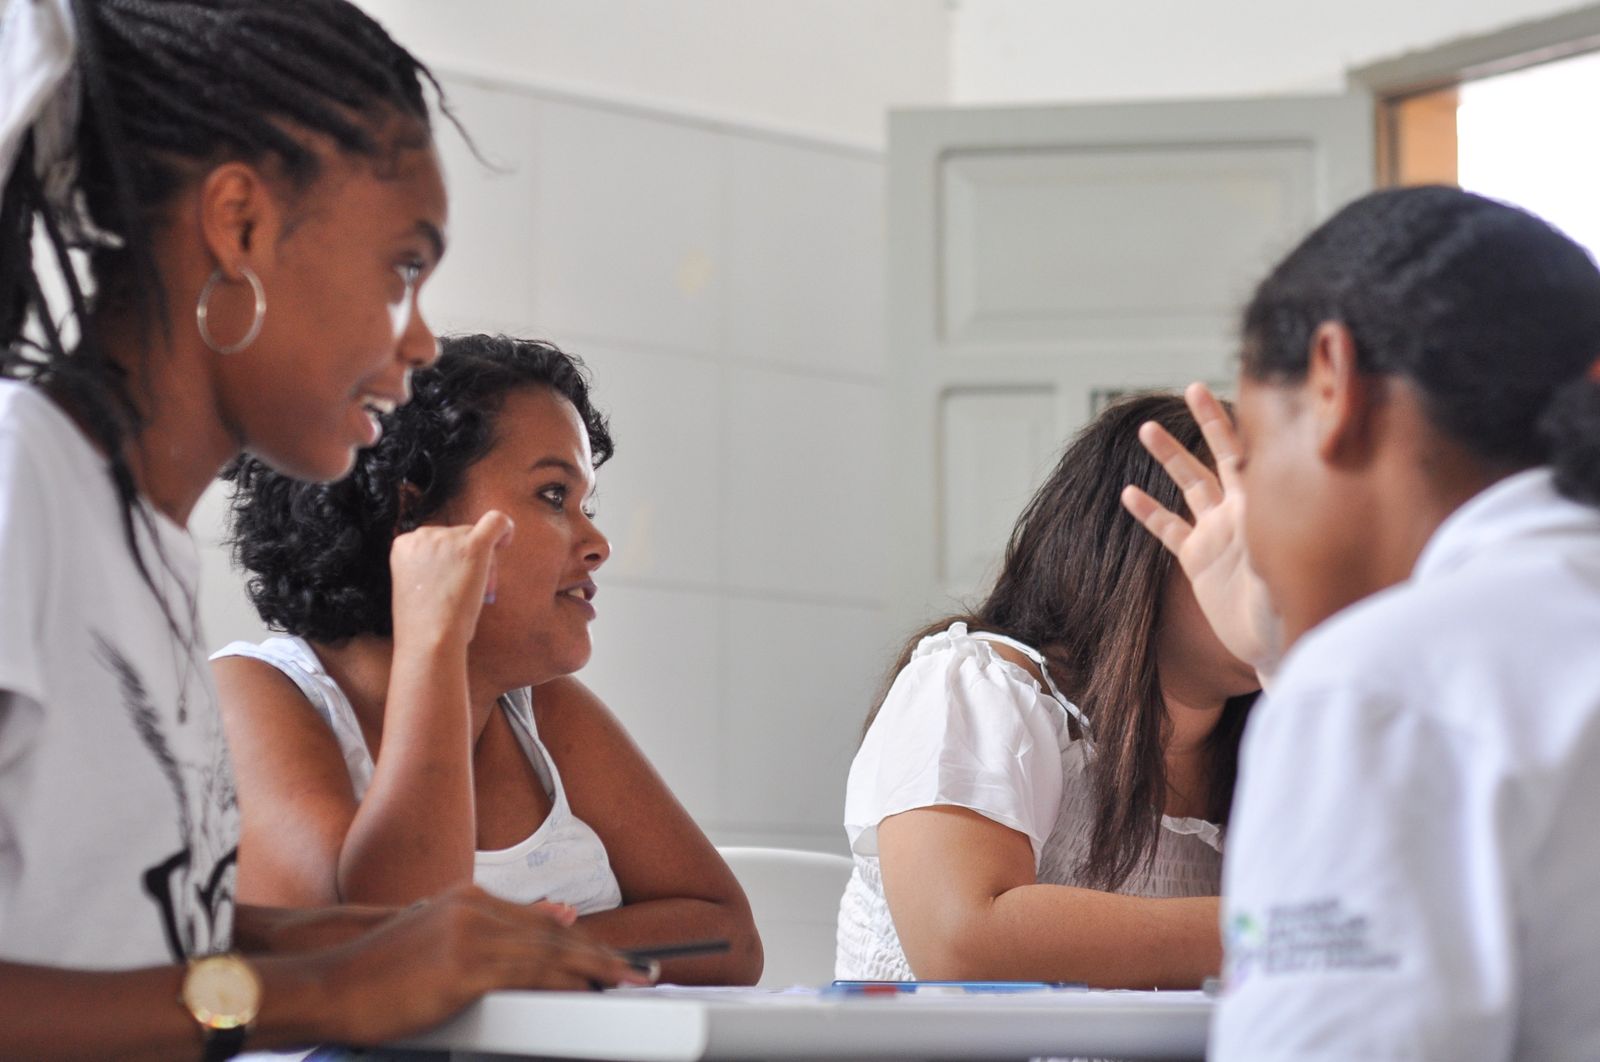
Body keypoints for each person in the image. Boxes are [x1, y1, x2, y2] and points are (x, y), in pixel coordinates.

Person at [0, 2, 648, 1058]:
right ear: (240, 226)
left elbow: (133, 949)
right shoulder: (19, 481)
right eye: (403, 269)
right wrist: (319, 993)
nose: (420, 340)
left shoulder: (134, 546)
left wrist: (370, 947)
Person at [1124, 186, 1600, 1059]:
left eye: (1252, 453)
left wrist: (1328, 680)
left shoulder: (1378, 687)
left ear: (1333, 380)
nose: (1252, 523)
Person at [213, 333, 762, 986]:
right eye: (554, 495)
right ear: (415, 514)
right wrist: (434, 641)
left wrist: (522, 951)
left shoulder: (542, 709)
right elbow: (384, 962)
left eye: (586, 505)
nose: (598, 544)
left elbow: (729, 938)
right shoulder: (255, 692)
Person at [837, 393, 1261, 987]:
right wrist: (1275, 931)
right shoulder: (981, 685)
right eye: (1244, 538)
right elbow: (963, 942)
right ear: (1133, 546)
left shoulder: (1294, 726)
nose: (1286, 568)